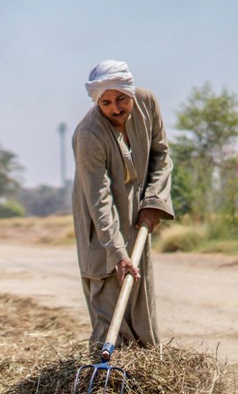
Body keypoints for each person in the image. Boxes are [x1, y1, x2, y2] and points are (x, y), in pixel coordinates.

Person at [71, 60, 174, 352]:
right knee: (108, 311)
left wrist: (153, 202)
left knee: (141, 308)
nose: (115, 109)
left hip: (136, 218)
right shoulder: (89, 135)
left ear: (130, 91)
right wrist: (117, 253)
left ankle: (145, 370)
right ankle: (105, 370)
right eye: (106, 103)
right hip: (100, 229)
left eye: (121, 99)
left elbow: (161, 156)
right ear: (96, 102)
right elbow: (98, 199)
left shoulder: (147, 104)